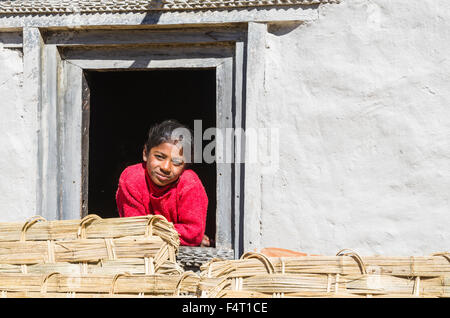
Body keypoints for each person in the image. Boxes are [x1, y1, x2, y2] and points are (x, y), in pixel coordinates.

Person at [116, 119, 210, 246]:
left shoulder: (189, 183)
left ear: (185, 166)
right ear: (145, 153)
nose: (166, 167)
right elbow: (135, 232)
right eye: (159, 157)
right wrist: (179, 235)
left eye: (177, 162)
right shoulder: (132, 179)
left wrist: (150, 230)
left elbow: (193, 235)